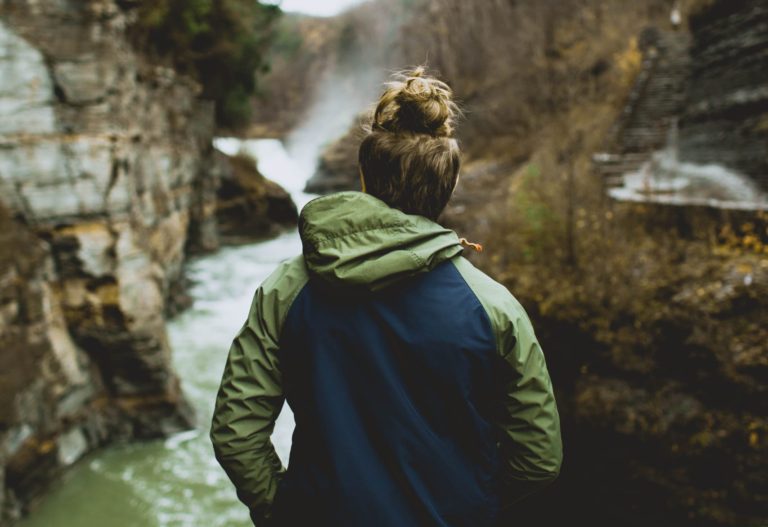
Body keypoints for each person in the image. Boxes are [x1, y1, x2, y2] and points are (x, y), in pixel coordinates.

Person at [210, 67, 562, 527]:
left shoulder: (288, 288)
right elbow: (539, 457)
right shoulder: (493, 307)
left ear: (364, 177)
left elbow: (236, 434)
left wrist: (284, 513)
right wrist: (470, 504)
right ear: (449, 185)